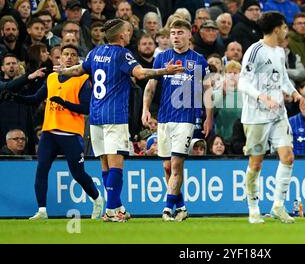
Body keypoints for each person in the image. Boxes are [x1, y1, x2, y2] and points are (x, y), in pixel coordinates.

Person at [54, 18, 184, 222]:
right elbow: (140, 74)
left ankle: (117, 207)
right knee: (116, 166)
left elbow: (79, 69)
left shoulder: (95, 52)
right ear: (122, 35)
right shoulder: (122, 54)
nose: (130, 33)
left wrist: (64, 71)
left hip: (95, 116)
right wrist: (164, 71)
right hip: (114, 116)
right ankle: (110, 210)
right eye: (129, 31)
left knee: (105, 165)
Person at [11, 45, 104, 220]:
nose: (69, 57)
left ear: (78, 60)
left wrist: (65, 103)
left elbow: (87, 108)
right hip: (49, 132)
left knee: (77, 173)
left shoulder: (82, 79)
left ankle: (97, 199)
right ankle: (42, 211)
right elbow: (35, 99)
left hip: (71, 133)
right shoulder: (52, 78)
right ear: (59, 58)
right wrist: (16, 98)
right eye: (65, 54)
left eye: (73, 55)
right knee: (42, 169)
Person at [141, 19, 213, 222]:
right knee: (167, 167)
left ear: (189, 35)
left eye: (180, 32)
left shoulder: (198, 60)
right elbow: (150, 87)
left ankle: (167, 208)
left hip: (186, 118)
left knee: (176, 164)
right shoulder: (162, 58)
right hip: (164, 118)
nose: (175, 36)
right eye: (173, 33)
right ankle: (180, 206)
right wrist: (145, 109)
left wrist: (208, 117)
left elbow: (208, 90)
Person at [238, 11, 305, 224]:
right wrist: (262, 97)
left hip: (278, 114)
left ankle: (278, 206)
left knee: (288, 157)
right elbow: (242, 82)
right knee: (256, 163)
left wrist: (294, 92)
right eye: (285, 26)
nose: (287, 30)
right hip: (256, 115)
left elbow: (282, 78)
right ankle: (253, 208)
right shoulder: (254, 51)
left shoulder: (279, 52)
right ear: (277, 29)